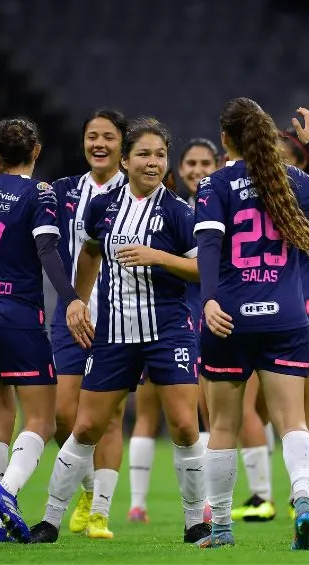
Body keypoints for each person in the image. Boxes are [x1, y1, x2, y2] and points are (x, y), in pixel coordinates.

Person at [28, 118, 211, 545]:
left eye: (160, 155)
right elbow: (90, 253)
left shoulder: (179, 213)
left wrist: (158, 257)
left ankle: (195, 523)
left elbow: (205, 267)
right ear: (125, 159)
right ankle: (50, 521)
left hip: (168, 332)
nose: (153, 162)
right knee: (85, 426)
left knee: (185, 426)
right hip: (113, 333)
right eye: (144, 154)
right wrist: (77, 301)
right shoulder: (101, 207)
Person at [194, 99, 309, 550]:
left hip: (230, 319)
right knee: (292, 419)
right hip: (286, 316)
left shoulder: (213, 184)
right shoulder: (288, 179)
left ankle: (220, 528)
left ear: (225, 139)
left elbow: (208, 248)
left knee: (222, 424)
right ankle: (303, 504)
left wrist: (208, 302)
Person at [0, 118, 82, 543]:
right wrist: (72, 296)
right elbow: (47, 248)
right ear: (37, 152)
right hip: (17, 319)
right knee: (42, 420)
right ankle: (4, 493)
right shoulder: (38, 194)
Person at [128, 138, 219, 524]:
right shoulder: (169, 210)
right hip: (168, 319)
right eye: (190, 163)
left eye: (205, 163)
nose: (197, 170)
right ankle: (137, 503)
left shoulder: (221, 205)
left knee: (206, 413)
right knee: (149, 412)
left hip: (212, 317)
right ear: (178, 171)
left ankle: (212, 501)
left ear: (218, 166)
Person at [49, 109, 128, 538]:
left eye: (108, 137)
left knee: (109, 418)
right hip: (71, 312)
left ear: (122, 143)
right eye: (92, 136)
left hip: (118, 315)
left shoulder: (138, 191)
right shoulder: (63, 191)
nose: (99, 143)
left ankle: (99, 512)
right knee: (65, 415)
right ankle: (85, 489)